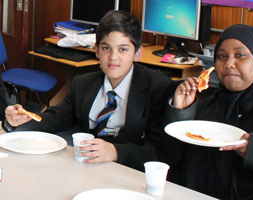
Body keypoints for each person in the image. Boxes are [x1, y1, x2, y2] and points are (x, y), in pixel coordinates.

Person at [3, 10, 178, 171]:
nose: (113, 57)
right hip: (88, 168)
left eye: (123, 49)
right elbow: (55, 118)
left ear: (137, 53)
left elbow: (158, 153)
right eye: (106, 48)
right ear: (96, 50)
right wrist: (16, 122)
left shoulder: (159, 89)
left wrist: (116, 151)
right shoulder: (83, 83)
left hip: (130, 173)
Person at [159, 24, 253, 200]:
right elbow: (167, 160)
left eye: (240, 55)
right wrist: (181, 112)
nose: (229, 64)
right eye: (221, 56)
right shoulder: (206, 106)